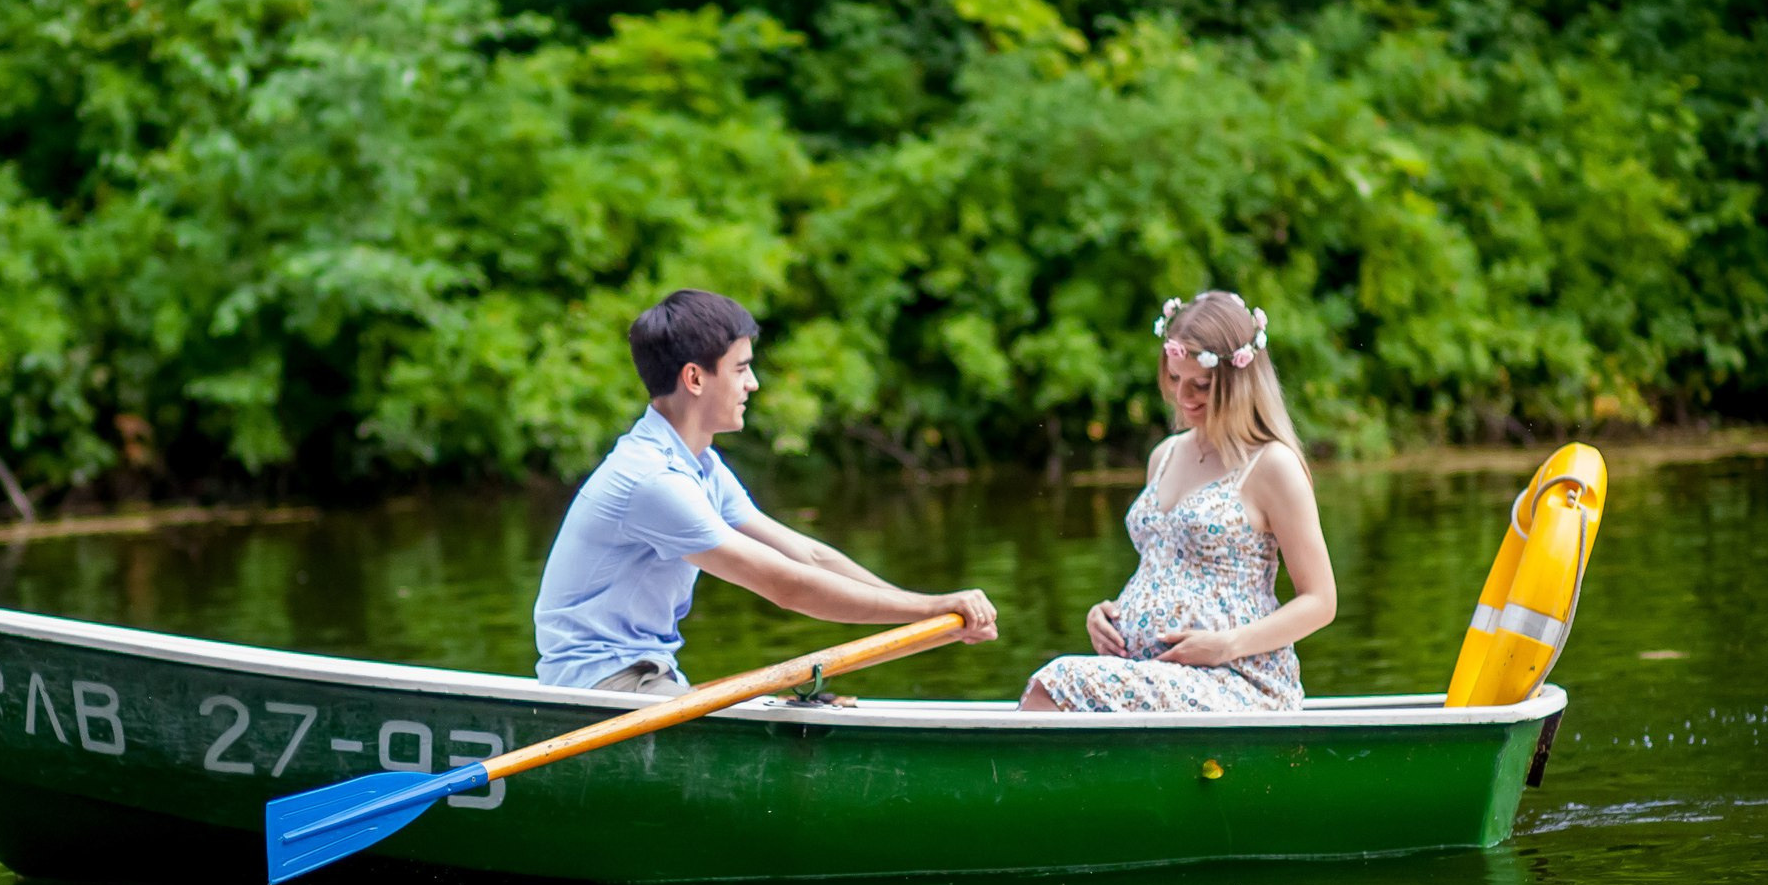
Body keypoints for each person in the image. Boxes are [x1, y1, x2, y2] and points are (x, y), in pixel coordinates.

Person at [534, 289, 998, 693]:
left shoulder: (701, 466)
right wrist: (928, 608)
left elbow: (807, 558)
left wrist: (923, 619)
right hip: (603, 684)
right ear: (695, 378)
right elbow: (787, 586)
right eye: (741, 369)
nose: (752, 384)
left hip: (646, 674)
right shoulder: (653, 480)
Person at [1023, 289, 1336, 712]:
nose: (1184, 397)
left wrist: (1225, 645)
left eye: (1201, 386)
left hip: (1236, 679)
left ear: (1239, 380)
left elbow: (1320, 601)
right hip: (1153, 670)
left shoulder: (1271, 465)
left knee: (1055, 683)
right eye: (1175, 379)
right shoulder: (1165, 455)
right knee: (1056, 687)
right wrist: (1107, 616)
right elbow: (1163, 567)